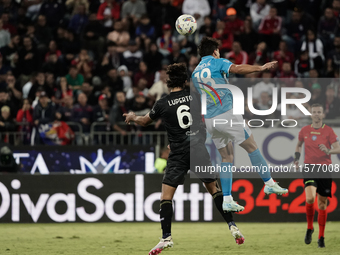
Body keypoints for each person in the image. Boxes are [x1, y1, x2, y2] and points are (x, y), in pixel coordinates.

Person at [124, 63, 245, 255]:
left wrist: (132, 117)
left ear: (168, 82)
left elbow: (145, 121)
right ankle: (232, 226)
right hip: (198, 149)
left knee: (166, 197)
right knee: (214, 190)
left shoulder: (162, 103)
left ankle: (166, 238)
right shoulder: (196, 97)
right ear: (186, 81)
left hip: (178, 153)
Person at [192, 37, 288, 213]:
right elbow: (236, 68)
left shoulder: (195, 73)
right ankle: (269, 183)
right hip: (227, 114)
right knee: (252, 147)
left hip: (211, 120)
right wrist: (260, 67)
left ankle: (227, 199)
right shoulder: (217, 62)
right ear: (214, 51)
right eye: (218, 50)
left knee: (226, 157)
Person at [294, 103, 340, 248]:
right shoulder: (304, 130)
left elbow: (337, 148)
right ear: (311, 114)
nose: (316, 114)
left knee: (322, 204)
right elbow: (299, 144)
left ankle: (321, 236)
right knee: (310, 197)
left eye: (319, 112)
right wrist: (296, 158)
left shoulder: (329, 131)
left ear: (323, 114)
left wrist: (328, 150)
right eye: (314, 112)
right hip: (309, 167)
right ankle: (309, 227)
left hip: (324, 169)